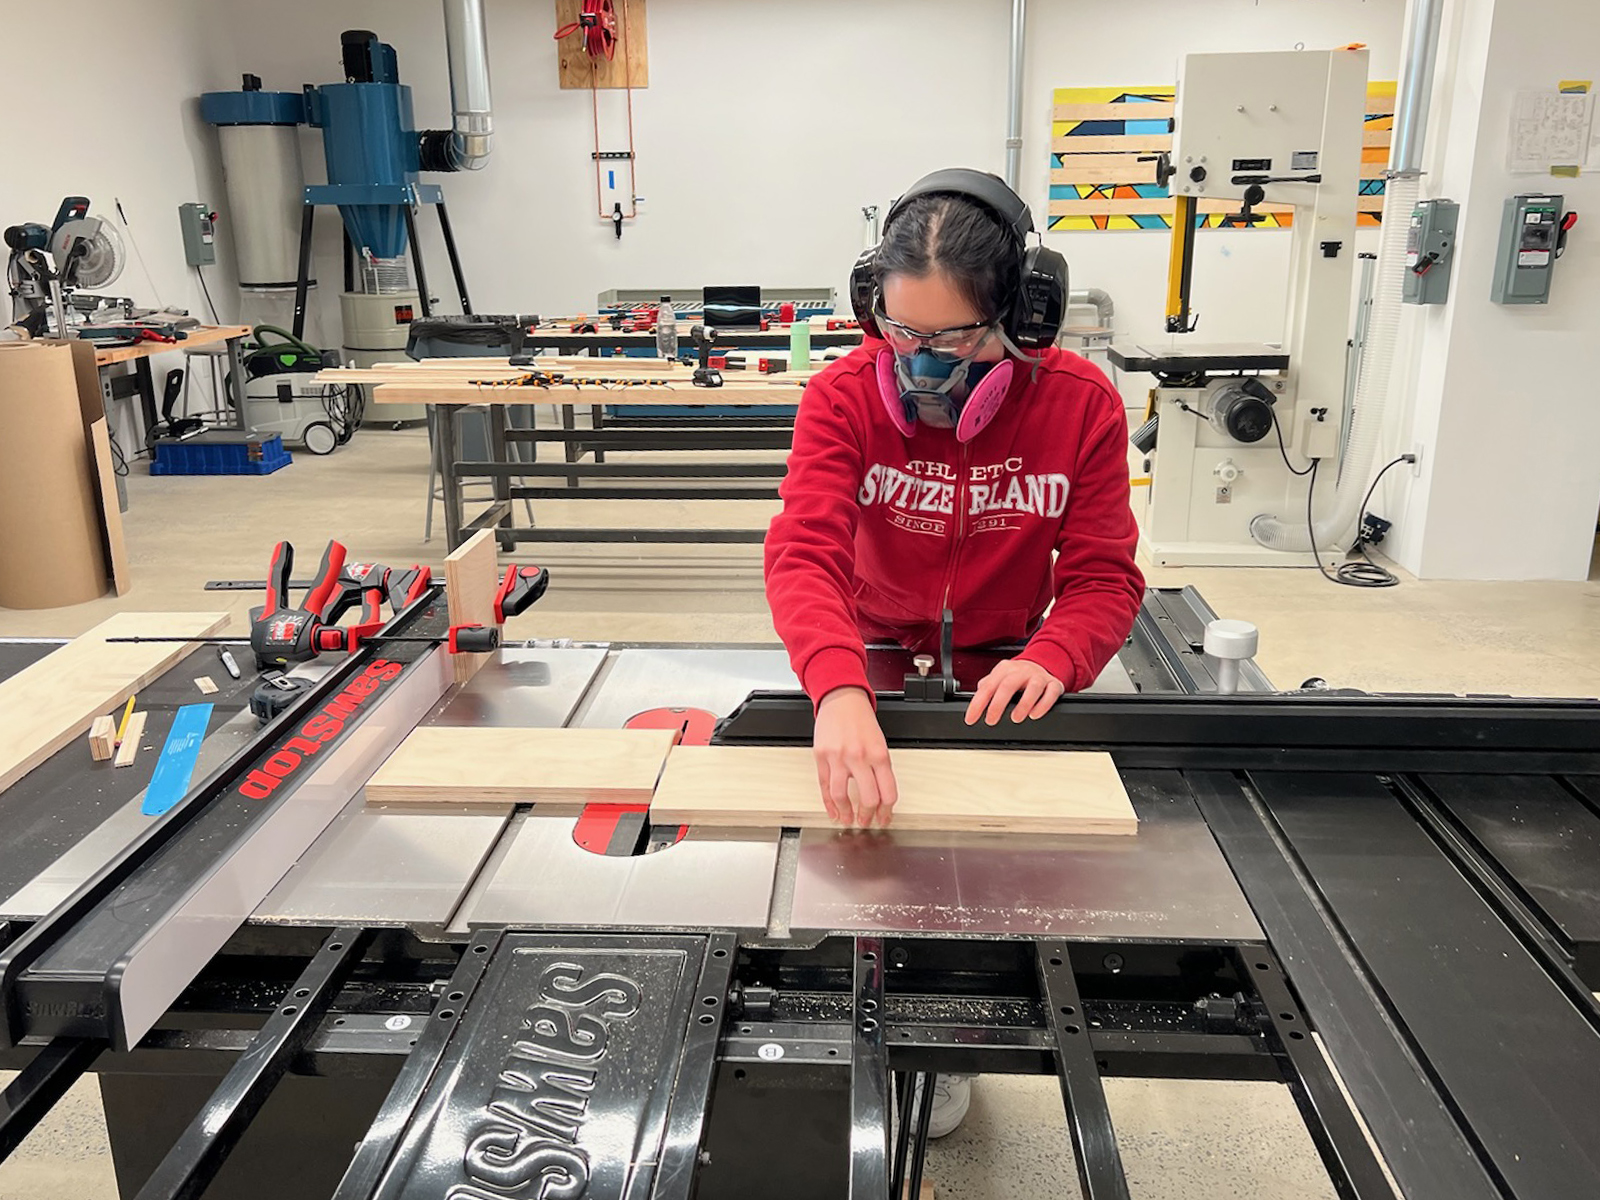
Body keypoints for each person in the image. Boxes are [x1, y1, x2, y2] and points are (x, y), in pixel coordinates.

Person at [765, 168, 1145, 831]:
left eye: (954, 339)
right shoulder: (842, 396)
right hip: (870, 657)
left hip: (1010, 665)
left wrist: (1056, 654)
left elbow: (1104, 578)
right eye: (903, 332)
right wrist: (836, 684)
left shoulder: (1084, 406)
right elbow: (803, 555)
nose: (922, 362)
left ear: (1023, 316)